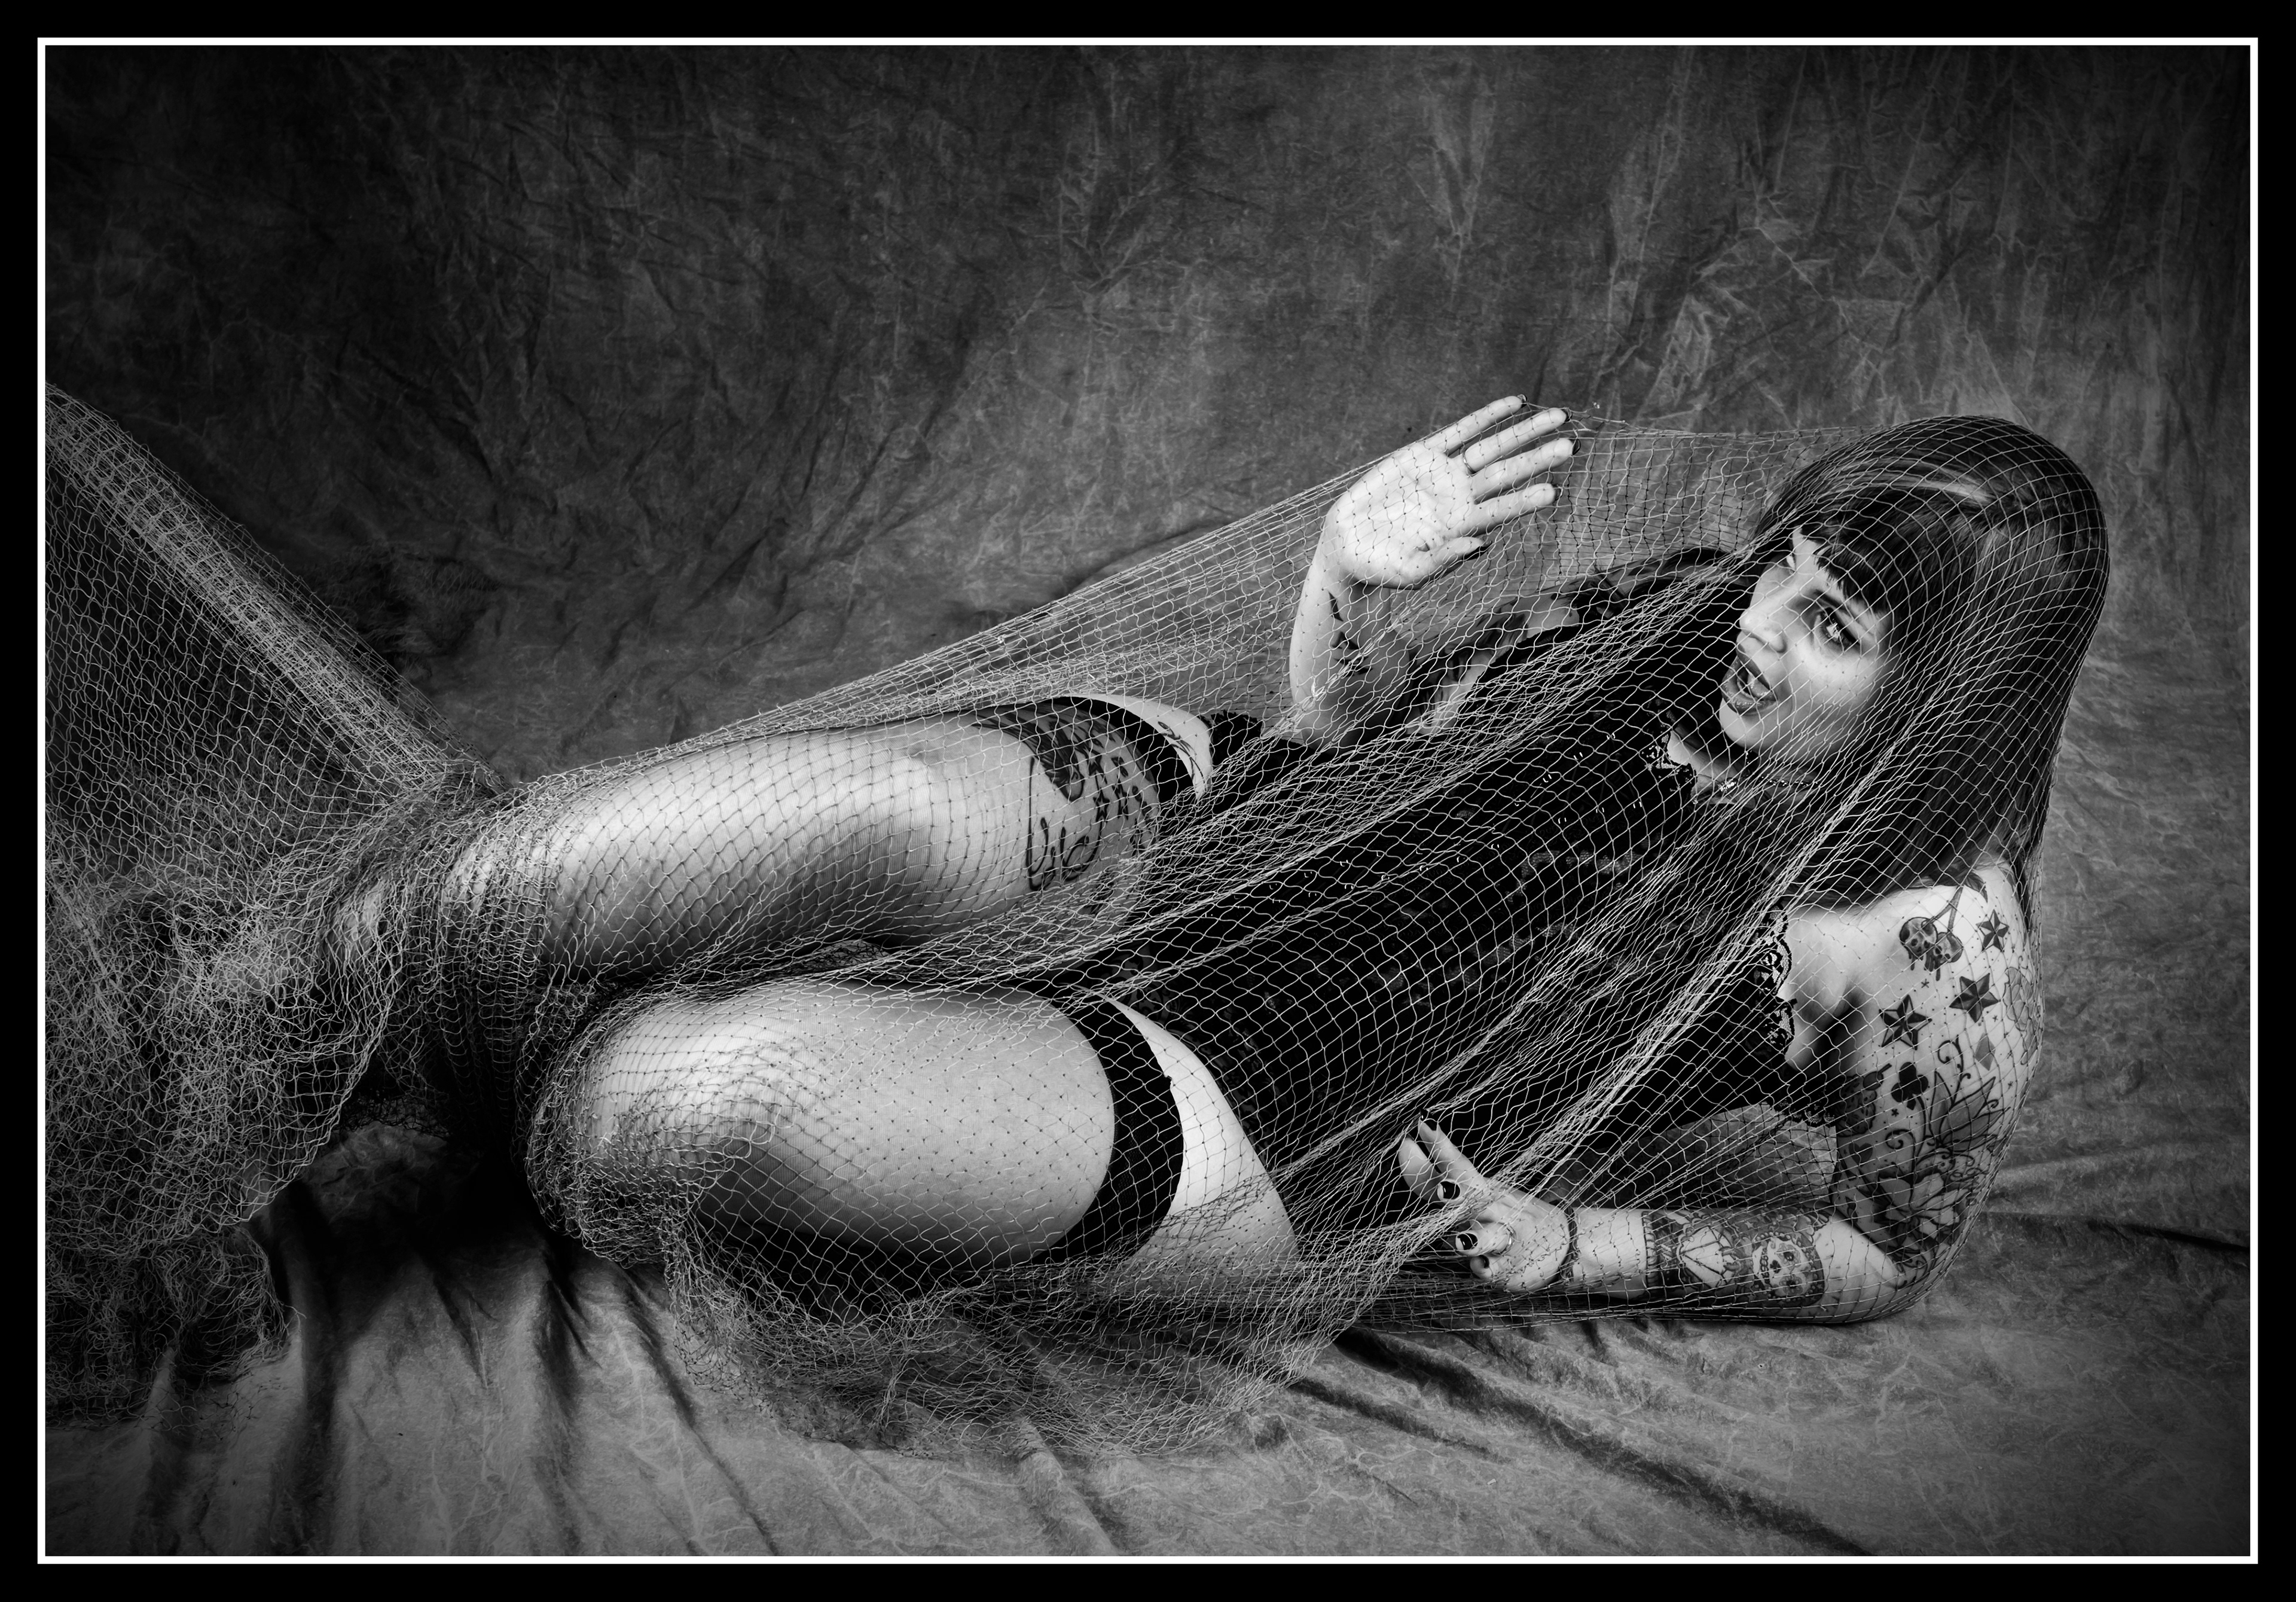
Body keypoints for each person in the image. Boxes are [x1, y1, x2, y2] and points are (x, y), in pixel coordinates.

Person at [393, 399, 2104, 1324]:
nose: (1756, 624)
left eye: (1832, 626)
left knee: (678, 1103)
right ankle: (312, 994)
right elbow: (1350, 737)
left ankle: (490, 1046)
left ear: (1939, 701)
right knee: (644, 857)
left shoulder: (1940, 952)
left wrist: (1577, 1244)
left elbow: (1887, 1253)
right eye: (1784, 564)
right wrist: (1343, 576)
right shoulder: (1688, 610)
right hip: (1228, 833)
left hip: (1280, 1106)